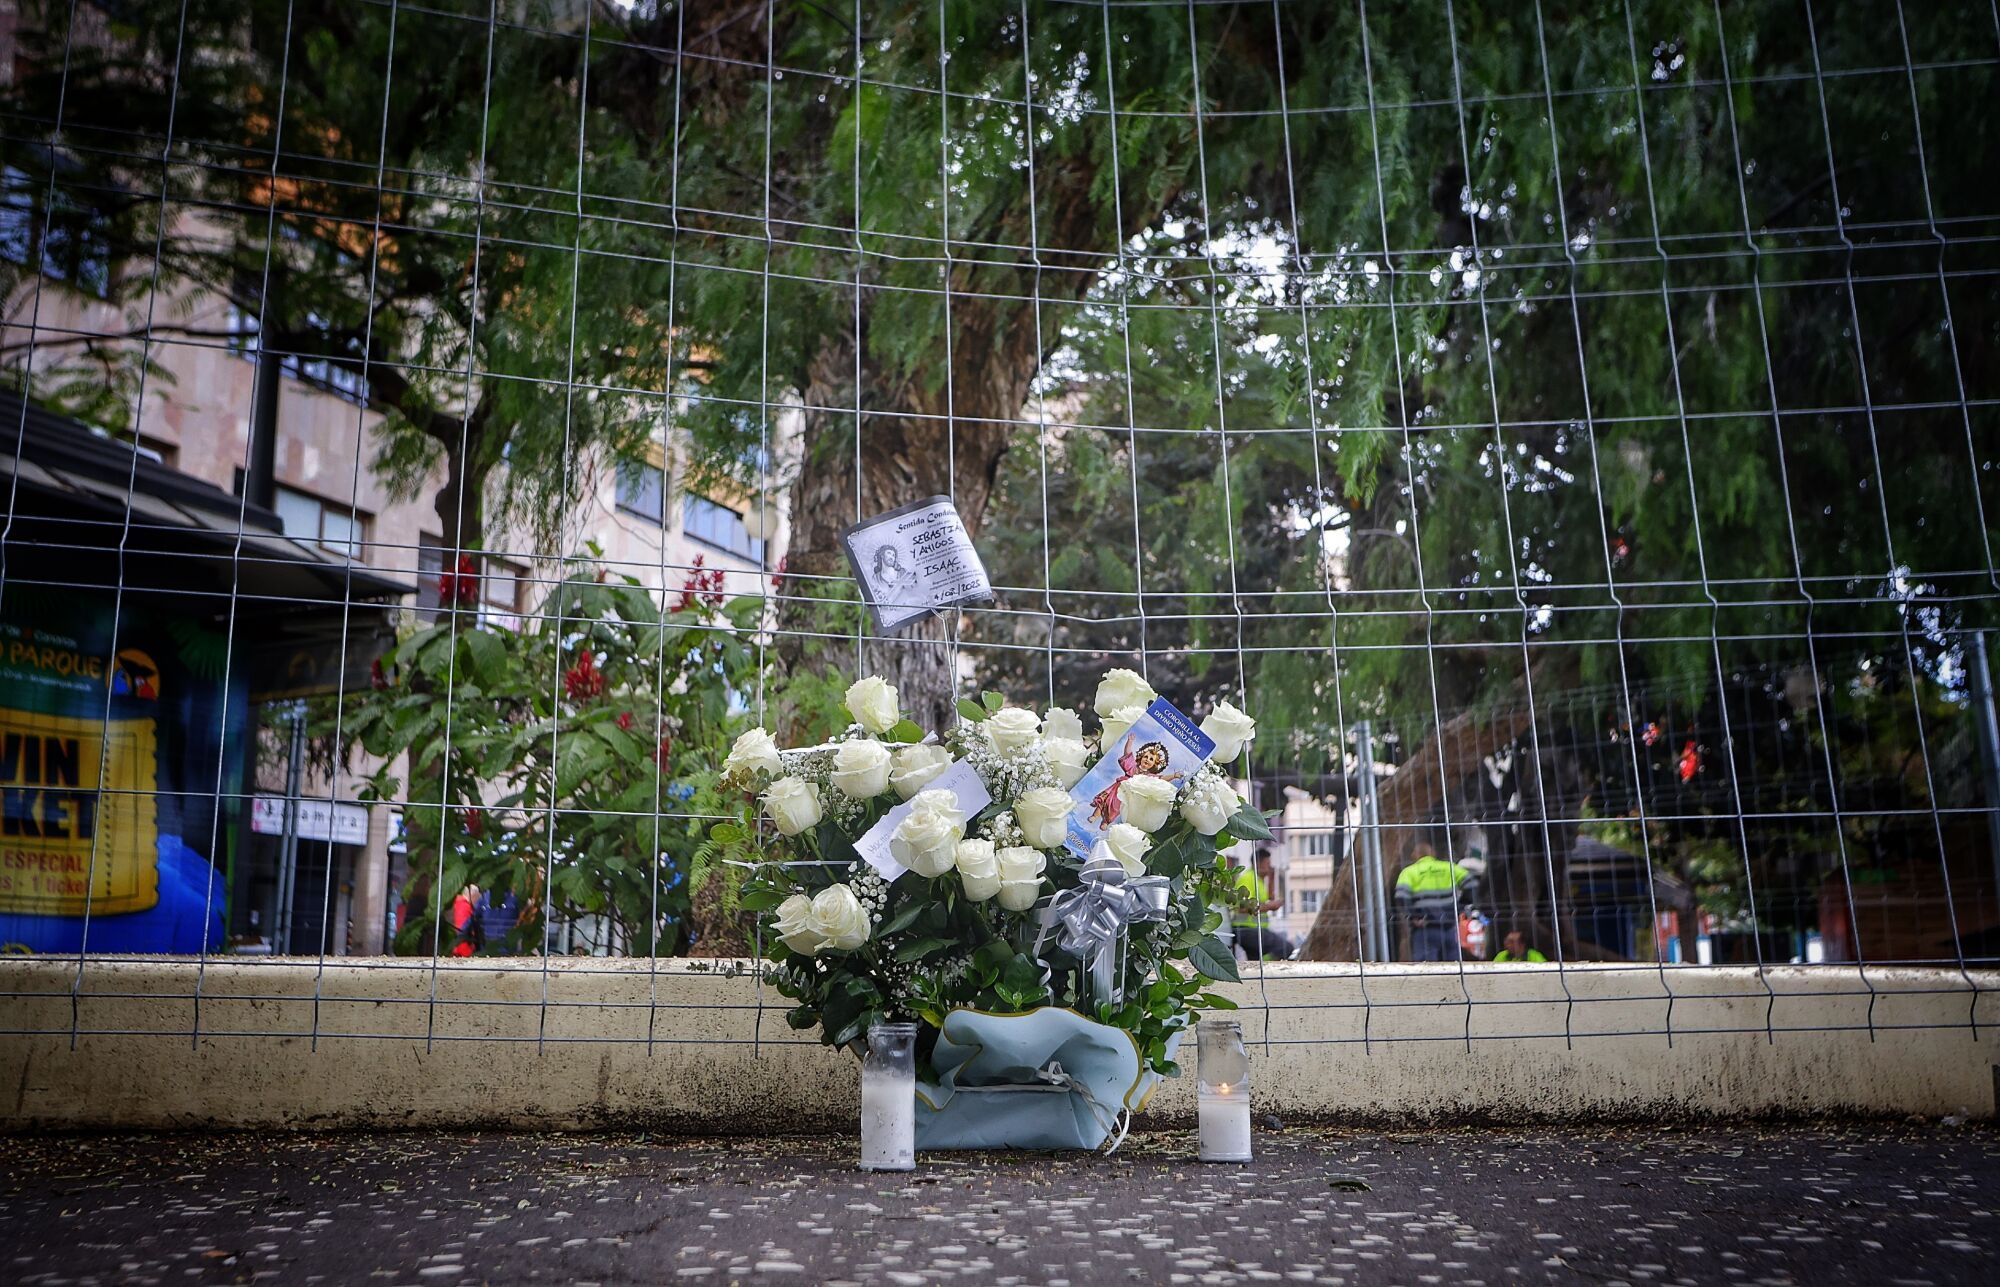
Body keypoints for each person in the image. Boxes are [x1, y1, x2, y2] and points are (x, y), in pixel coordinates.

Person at [1393, 851, 1474, 962]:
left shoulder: (1409, 872)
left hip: (1425, 928)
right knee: (1453, 968)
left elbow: (1401, 896)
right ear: (1433, 855)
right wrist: (1461, 906)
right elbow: (1472, 885)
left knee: (1426, 969)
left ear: (1414, 858)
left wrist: (1413, 916)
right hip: (1450, 927)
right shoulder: (1449, 867)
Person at [1232, 848, 1293, 961]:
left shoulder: (1258, 880)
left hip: (1254, 929)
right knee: (1286, 948)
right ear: (1258, 863)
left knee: (1255, 960)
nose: (1270, 867)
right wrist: (1270, 906)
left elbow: (1265, 901)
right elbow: (1243, 907)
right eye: (1268, 863)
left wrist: (1271, 881)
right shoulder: (1248, 878)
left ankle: (1259, 970)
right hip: (1248, 930)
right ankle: (1269, 968)